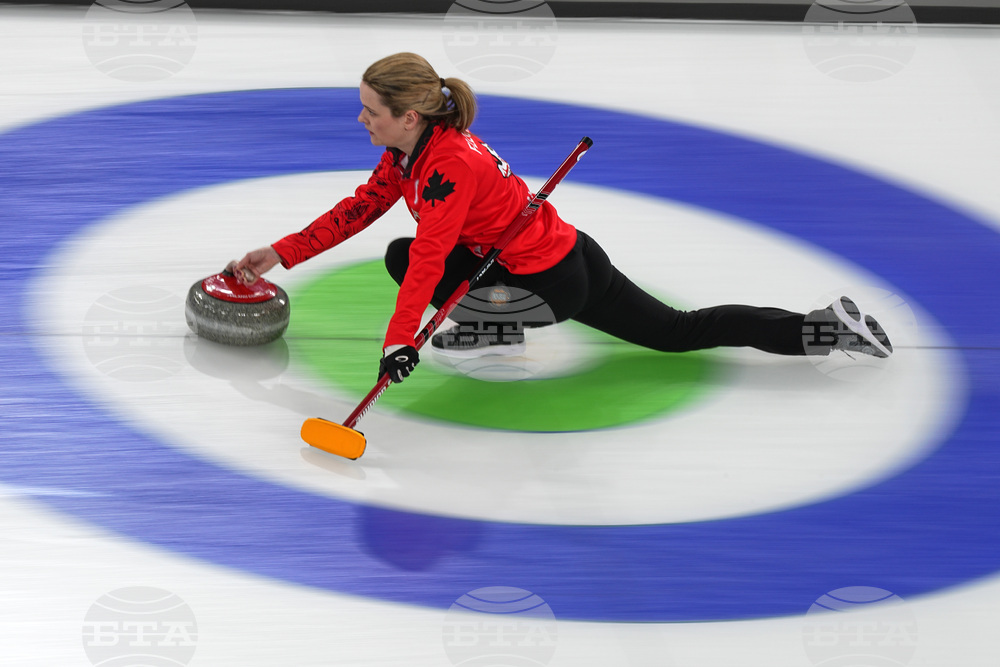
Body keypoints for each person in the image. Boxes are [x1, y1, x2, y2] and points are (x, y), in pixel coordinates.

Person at [229, 52, 892, 384]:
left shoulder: (447, 165)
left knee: (413, 259)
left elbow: (434, 255)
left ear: (408, 115)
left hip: (553, 283)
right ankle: (825, 328)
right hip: (567, 252)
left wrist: (398, 341)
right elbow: (360, 209)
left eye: (370, 110)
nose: (360, 119)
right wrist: (278, 252)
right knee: (676, 331)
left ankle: (498, 326)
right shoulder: (412, 151)